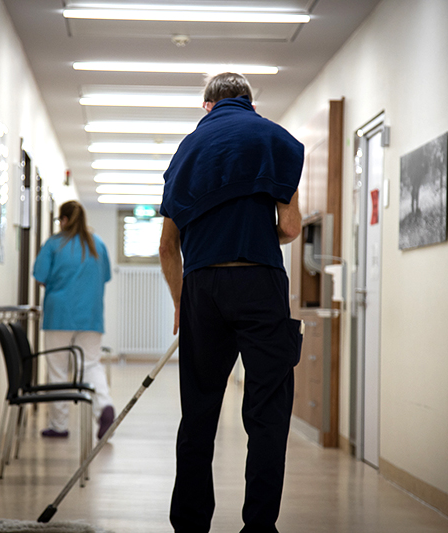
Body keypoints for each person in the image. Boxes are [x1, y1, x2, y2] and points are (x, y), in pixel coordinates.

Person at [159, 72, 304, 533]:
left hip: (203, 287)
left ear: (206, 106)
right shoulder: (274, 140)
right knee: (267, 413)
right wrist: (262, 234)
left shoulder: (186, 151)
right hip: (260, 283)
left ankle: (189, 524)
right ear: (250, 103)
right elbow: (293, 226)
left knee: (199, 412)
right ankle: (259, 527)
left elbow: (167, 246)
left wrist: (183, 303)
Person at [33, 200, 115, 440]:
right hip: (90, 316)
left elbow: (40, 276)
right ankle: (105, 407)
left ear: (64, 220)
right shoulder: (97, 244)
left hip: (59, 315)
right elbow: (105, 277)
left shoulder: (54, 244)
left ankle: (59, 426)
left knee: (58, 370)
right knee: (90, 364)